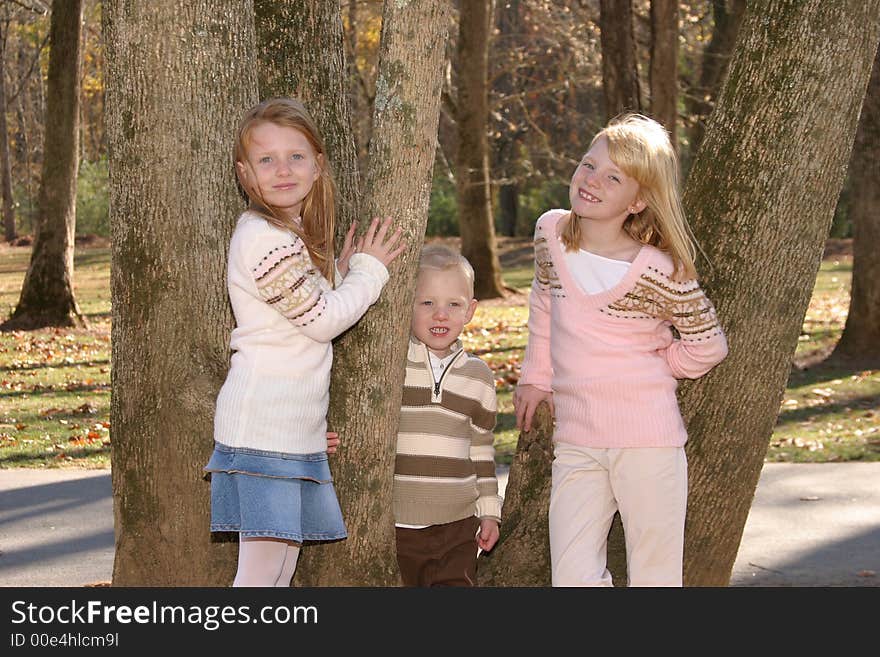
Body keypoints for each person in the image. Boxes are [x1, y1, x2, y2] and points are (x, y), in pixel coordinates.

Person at [513, 114, 729, 587]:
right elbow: (545, 298)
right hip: (577, 438)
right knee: (571, 575)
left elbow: (708, 346)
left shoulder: (658, 271)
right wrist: (535, 375)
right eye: (589, 165)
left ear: (637, 200)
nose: (592, 180)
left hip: (647, 441)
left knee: (655, 574)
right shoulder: (550, 233)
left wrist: (662, 365)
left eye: (613, 177)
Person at [204, 97, 405, 587]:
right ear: (245, 175)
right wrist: (370, 271)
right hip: (262, 426)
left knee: (280, 566)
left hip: (285, 425)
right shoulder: (264, 238)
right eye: (266, 160)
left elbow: (299, 311)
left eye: (296, 156)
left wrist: (338, 269)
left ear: (318, 165)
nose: (283, 170)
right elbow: (320, 321)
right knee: (260, 573)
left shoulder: (285, 234)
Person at [392, 244, 502, 586]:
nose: (441, 315)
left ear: (469, 310)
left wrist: (490, 513)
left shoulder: (478, 377)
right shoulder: (393, 366)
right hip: (398, 524)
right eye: (427, 303)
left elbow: (482, 451)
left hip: (457, 525)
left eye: (453, 304)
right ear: (406, 303)